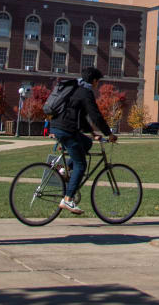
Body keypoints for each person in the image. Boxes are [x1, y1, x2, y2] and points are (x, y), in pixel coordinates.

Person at [48, 66, 117, 215]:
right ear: (94, 81)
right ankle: (68, 199)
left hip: (59, 126)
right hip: (66, 130)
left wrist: (92, 134)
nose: (97, 85)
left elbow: (81, 117)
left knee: (87, 143)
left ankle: (63, 170)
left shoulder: (76, 89)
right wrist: (109, 134)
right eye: (98, 82)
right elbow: (95, 115)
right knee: (81, 165)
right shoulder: (86, 93)